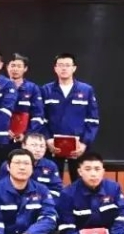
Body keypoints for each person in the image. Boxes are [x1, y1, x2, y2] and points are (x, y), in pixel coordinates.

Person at [41, 53, 100, 182]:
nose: (64, 68)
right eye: (60, 65)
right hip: (52, 147)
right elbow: (41, 118)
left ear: (74, 68)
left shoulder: (86, 90)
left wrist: (84, 143)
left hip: (79, 148)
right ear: (55, 68)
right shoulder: (46, 90)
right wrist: (47, 140)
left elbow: (93, 120)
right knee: (52, 183)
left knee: (81, 183)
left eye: (67, 65)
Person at [0, 132, 63, 198]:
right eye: (34, 145)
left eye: (42, 146)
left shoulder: (50, 166)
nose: (38, 150)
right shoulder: (10, 164)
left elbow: (56, 191)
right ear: (23, 145)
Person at [5, 53, 45, 142]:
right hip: (3, 136)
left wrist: (27, 135)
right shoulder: (1, 86)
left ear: (25, 68)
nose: (15, 69)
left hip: (25, 138)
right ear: (7, 67)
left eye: (19, 66)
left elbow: (38, 115)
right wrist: (3, 130)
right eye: (13, 66)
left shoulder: (33, 88)